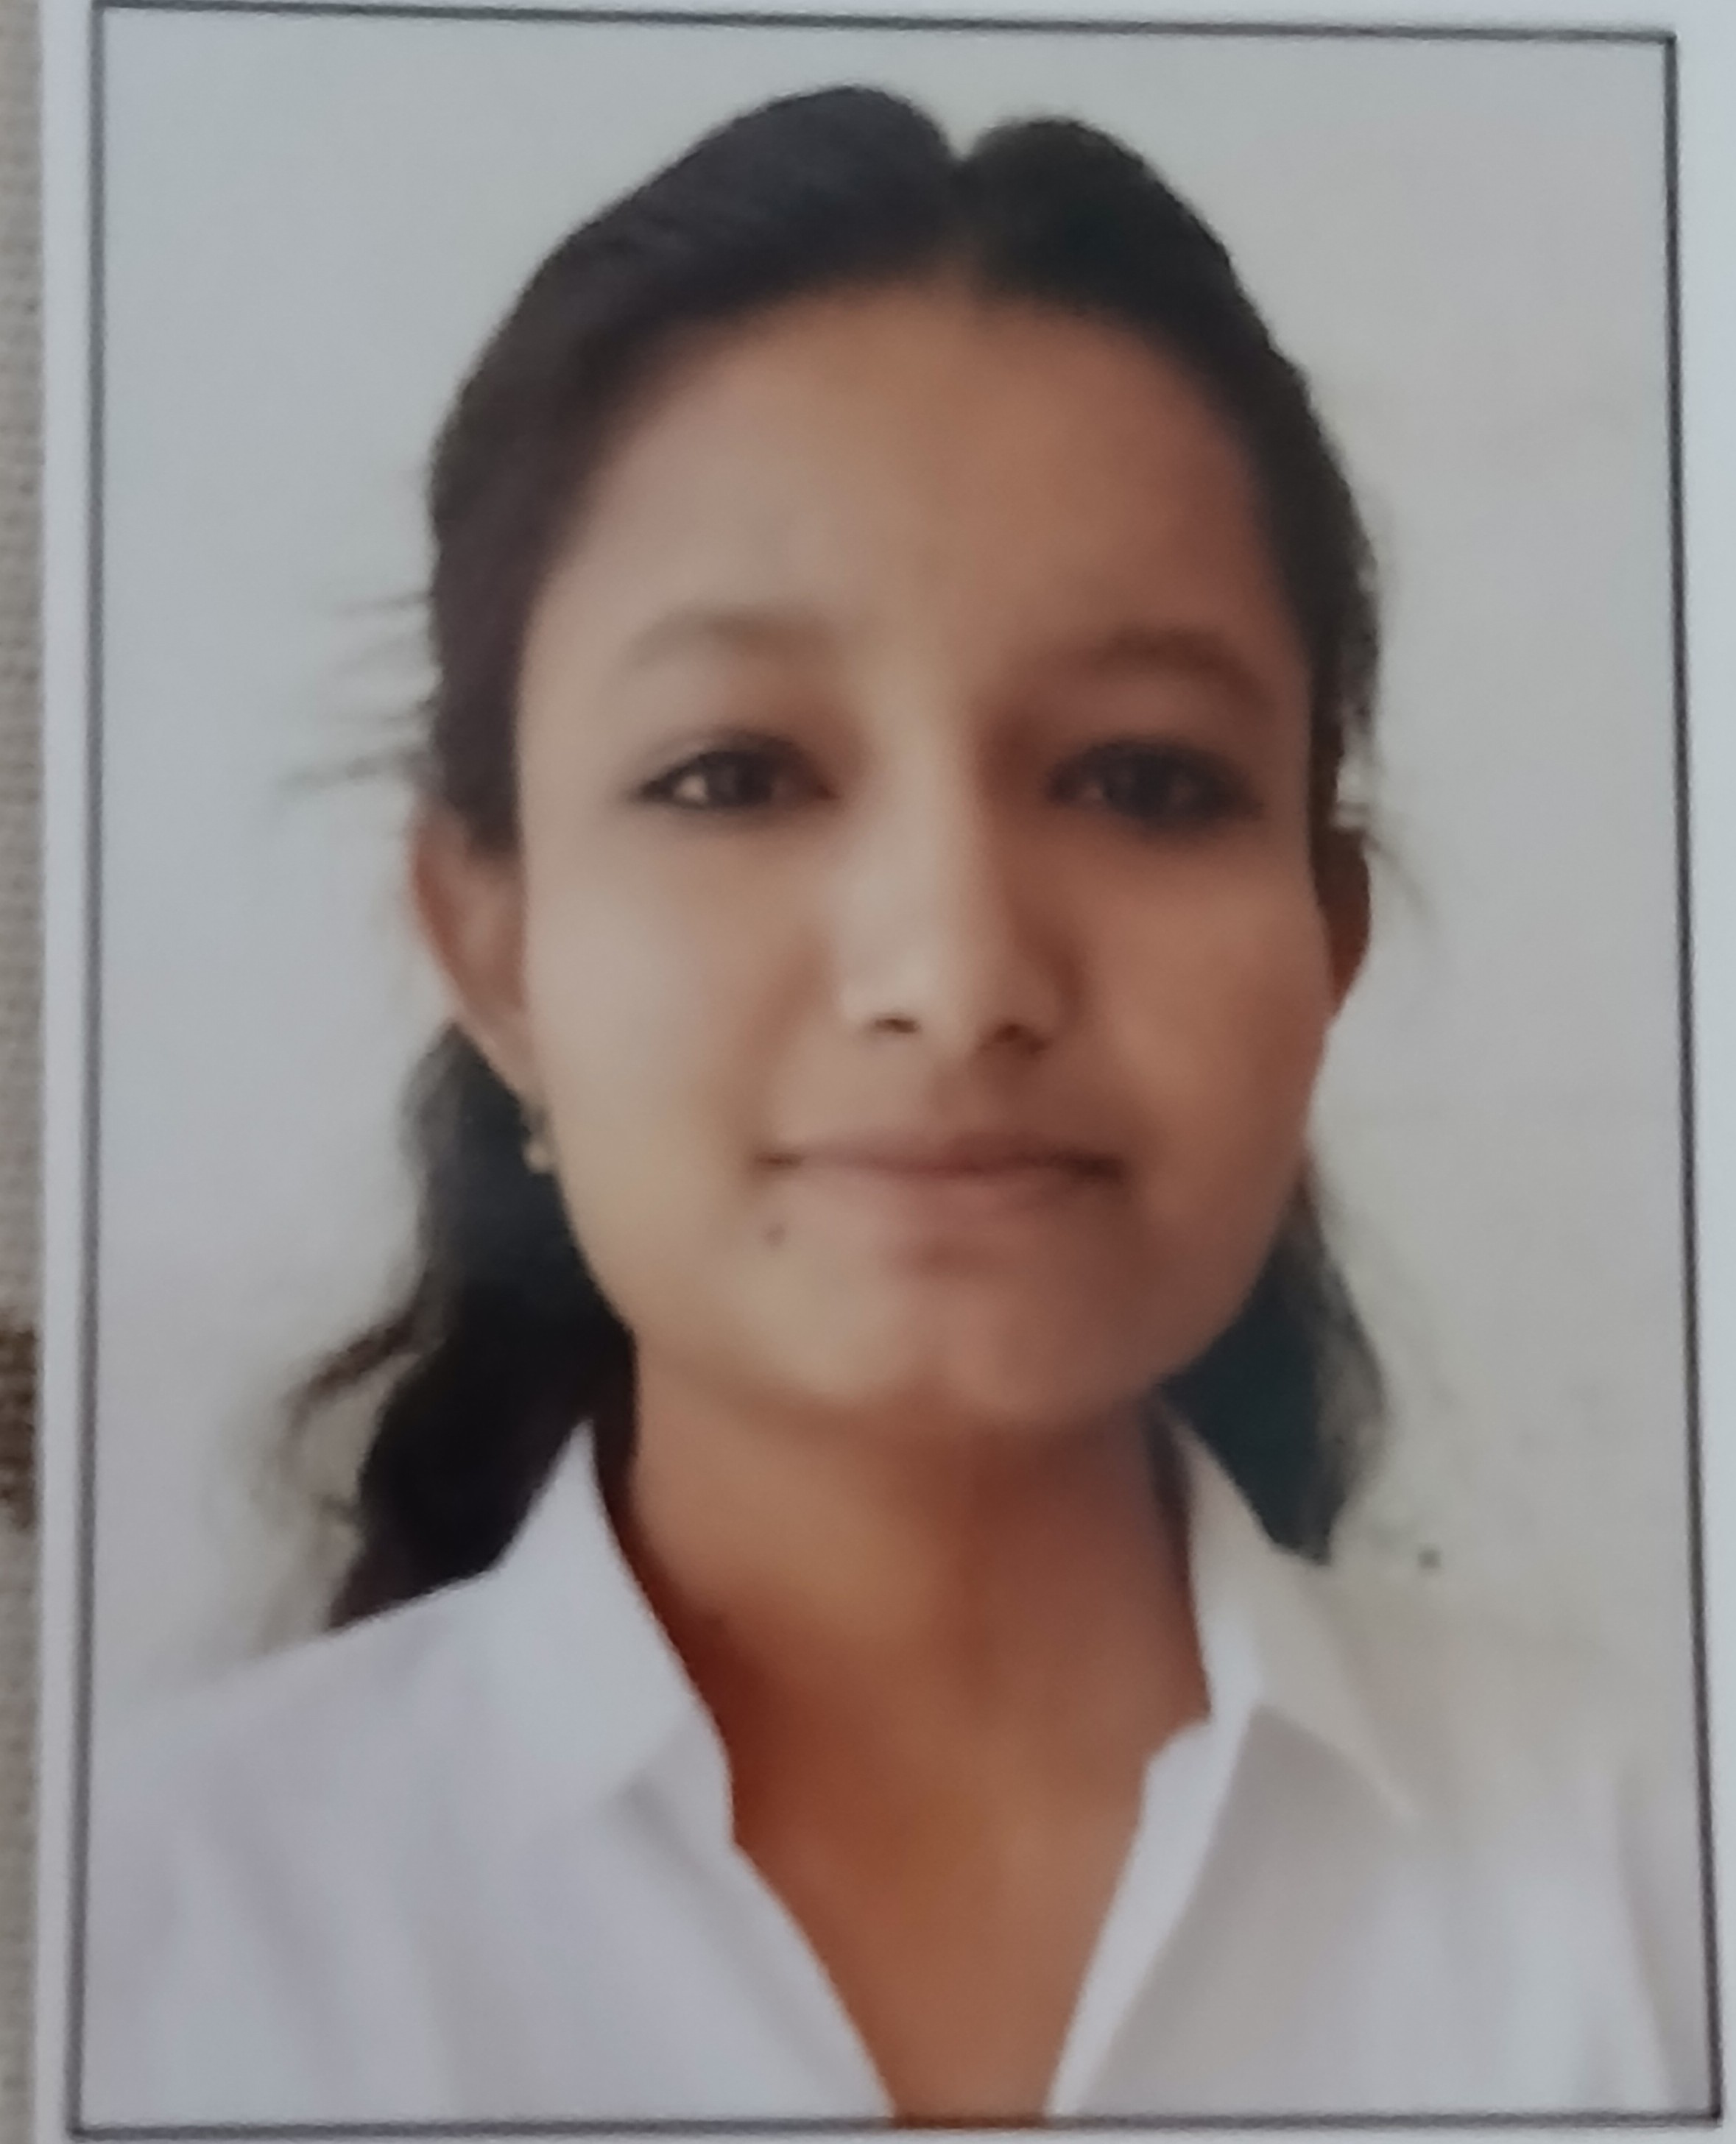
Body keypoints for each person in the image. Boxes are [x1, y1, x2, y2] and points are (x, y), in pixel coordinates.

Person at [83, 85, 1708, 2126]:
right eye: (735, 775)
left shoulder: (1652, 1891)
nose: (954, 977)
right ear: (491, 947)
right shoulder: (132, 1948)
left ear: (1328, 941)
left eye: (1143, 778)